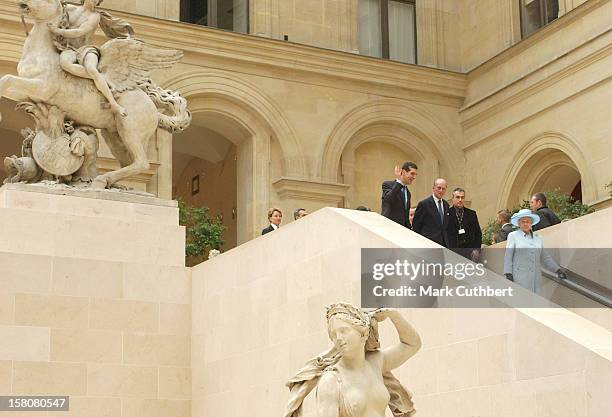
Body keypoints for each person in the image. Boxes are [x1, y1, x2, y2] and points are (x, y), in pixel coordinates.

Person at [284, 303, 421, 417]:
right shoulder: (331, 380)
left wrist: (394, 315)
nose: (338, 338)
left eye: (344, 331)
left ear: (364, 333)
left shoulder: (376, 362)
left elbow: (412, 345)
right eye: (333, 334)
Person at [47, 0, 133, 117]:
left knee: (91, 68)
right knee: (65, 63)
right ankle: (101, 79)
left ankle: (114, 104)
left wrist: (59, 31)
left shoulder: (95, 16)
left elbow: (80, 31)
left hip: (86, 49)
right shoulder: (70, 8)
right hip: (70, 49)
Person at [504, 209, 567, 293]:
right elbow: (508, 256)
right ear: (519, 223)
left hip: (536, 279)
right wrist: (508, 273)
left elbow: (545, 257)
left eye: (528, 221)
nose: (525, 223)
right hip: (519, 277)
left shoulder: (539, 238)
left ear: (531, 223)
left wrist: (557, 270)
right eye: (523, 221)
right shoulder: (513, 236)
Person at [446, 188, 482, 261]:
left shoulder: (472, 214)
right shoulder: (446, 214)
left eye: (462, 197)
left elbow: (478, 233)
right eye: (457, 197)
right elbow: (445, 235)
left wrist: (476, 250)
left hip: (470, 253)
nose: (460, 200)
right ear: (452, 199)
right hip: (453, 253)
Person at [412, 178, 450, 247]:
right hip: (428, 244)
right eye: (439, 188)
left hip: (444, 244)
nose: (441, 190)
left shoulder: (446, 205)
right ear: (433, 188)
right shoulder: (424, 204)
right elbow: (416, 226)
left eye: (443, 188)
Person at [381, 162, 418, 228]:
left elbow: (406, 215)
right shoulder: (387, 184)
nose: (414, 177)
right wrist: (399, 182)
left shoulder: (408, 192)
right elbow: (388, 199)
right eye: (412, 174)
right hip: (389, 227)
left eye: (415, 174)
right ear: (403, 172)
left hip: (402, 230)